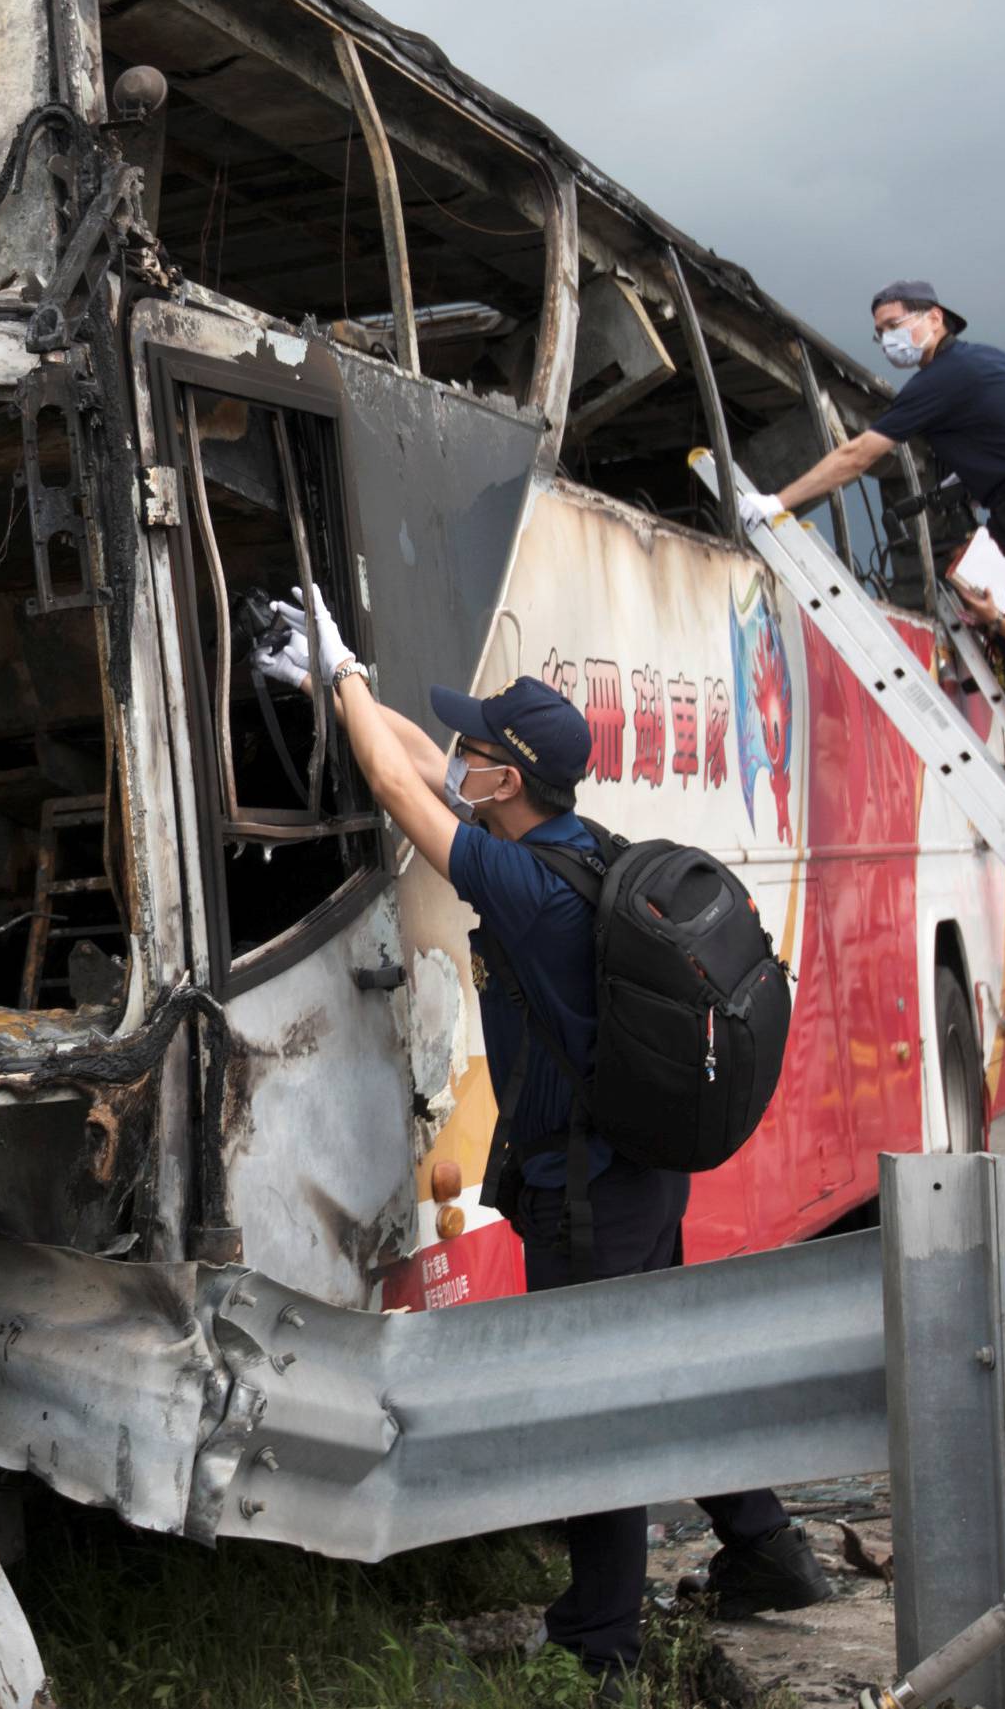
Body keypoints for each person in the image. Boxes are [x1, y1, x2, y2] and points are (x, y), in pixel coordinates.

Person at [252, 596, 830, 1686]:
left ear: (506, 780)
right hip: (640, 1177)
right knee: (668, 1375)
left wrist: (337, 683)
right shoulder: (575, 848)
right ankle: (769, 1550)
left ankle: (600, 1643)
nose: (459, 757)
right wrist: (354, 675)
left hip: (588, 1197)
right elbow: (425, 766)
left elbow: (393, 785)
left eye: (478, 749)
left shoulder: (523, 891)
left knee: (595, 1411)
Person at [738, 280, 1005, 824]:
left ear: (934, 318)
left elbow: (859, 454)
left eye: (895, 324)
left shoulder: (942, 379)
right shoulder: (991, 363)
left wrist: (777, 501)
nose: (887, 340)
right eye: (879, 332)